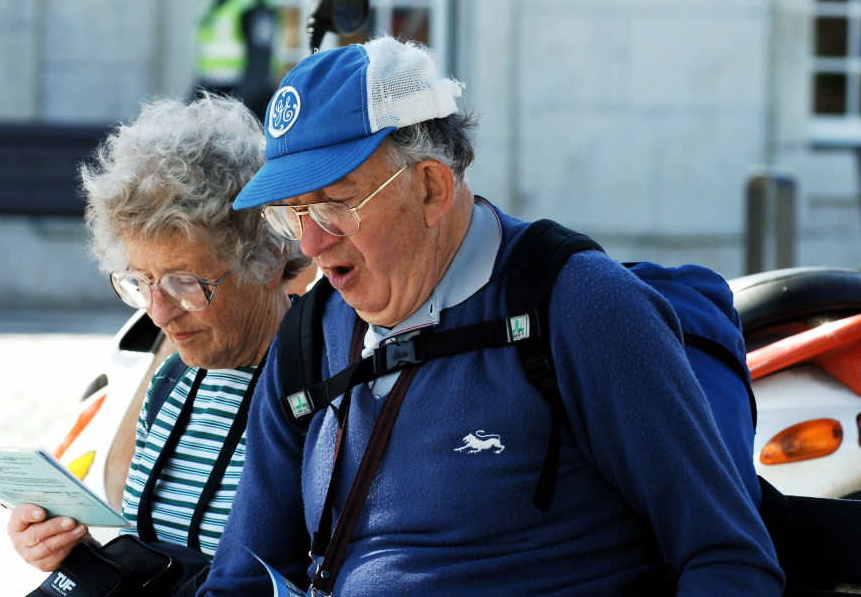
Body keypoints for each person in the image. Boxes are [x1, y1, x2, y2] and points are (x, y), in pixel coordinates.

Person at [200, 37, 785, 596]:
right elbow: (242, 579)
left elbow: (728, 560)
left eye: (334, 206)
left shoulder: (579, 306)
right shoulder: (310, 335)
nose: (312, 243)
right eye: (292, 214)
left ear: (431, 187)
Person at [6, 95, 309, 579]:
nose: (159, 312)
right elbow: (162, 561)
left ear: (269, 260)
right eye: (141, 283)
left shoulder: (322, 388)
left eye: (185, 282)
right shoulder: (172, 382)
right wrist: (74, 553)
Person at [191, 0, 281, 117]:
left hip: (245, 105)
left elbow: (258, 71)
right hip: (214, 97)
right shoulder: (215, 1)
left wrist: (232, 113)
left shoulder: (255, 3)